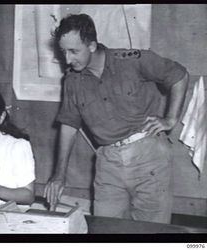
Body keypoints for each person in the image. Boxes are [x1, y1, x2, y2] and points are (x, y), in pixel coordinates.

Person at [44, 14, 189, 223]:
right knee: (107, 230)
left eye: (74, 51)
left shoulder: (133, 60)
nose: (67, 59)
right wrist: (59, 175)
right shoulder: (72, 81)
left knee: (150, 232)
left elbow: (179, 75)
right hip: (108, 162)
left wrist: (171, 119)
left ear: (92, 46)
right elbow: (68, 124)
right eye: (63, 52)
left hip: (148, 157)